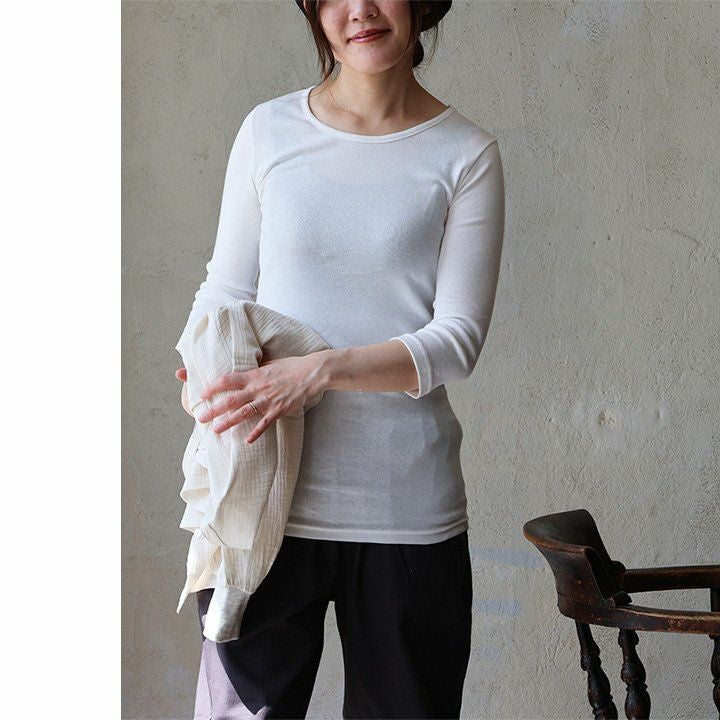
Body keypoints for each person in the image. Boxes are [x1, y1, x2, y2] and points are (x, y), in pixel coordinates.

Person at [174, 1, 506, 718]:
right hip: (259, 500)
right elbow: (225, 291)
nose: (359, 11)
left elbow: (457, 339)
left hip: (405, 512)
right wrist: (204, 368)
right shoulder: (269, 130)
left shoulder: (465, 152)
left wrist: (317, 371)